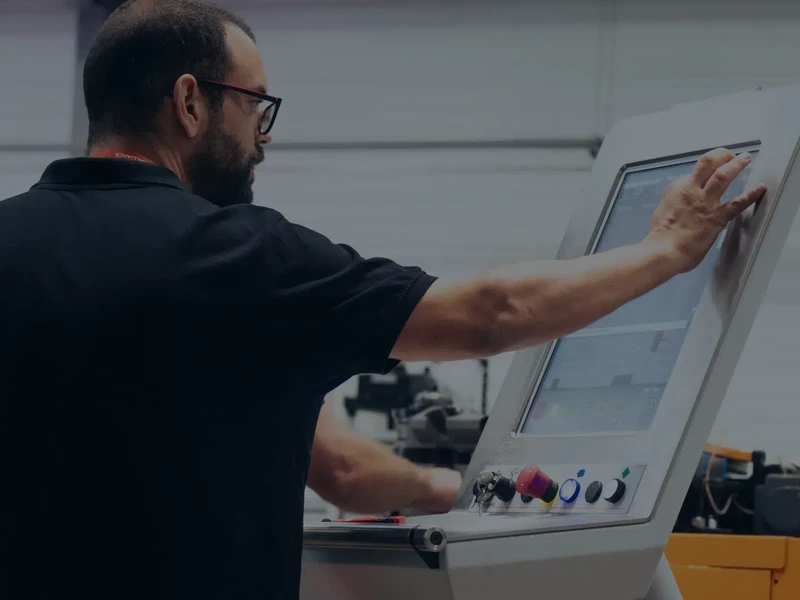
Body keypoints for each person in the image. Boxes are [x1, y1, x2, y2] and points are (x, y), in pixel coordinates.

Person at [0, 0, 765, 599]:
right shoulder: (236, 257)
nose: (264, 136)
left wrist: (449, 489)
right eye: (254, 105)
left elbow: (338, 468)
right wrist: (665, 251)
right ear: (190, 101)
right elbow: (488, 314)